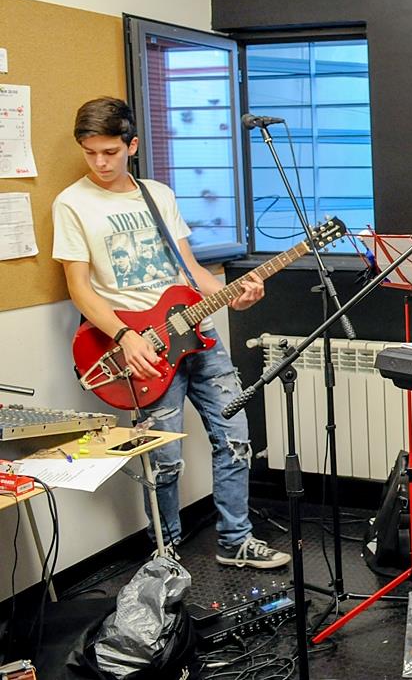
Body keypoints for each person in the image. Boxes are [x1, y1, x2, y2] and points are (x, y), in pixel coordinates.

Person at [52, 97, 290, 570]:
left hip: (199, 335)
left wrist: (233, 295)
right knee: (164, 458)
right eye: (90, 153)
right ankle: (167, 552)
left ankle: (235, 540)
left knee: (236, 439)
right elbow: (79, 289)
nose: (100, 163)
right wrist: (125, 336)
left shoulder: (157, 194)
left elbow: (191, 271)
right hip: (141, 347)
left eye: (110, 152)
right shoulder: (71, 203)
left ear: (132, 145)